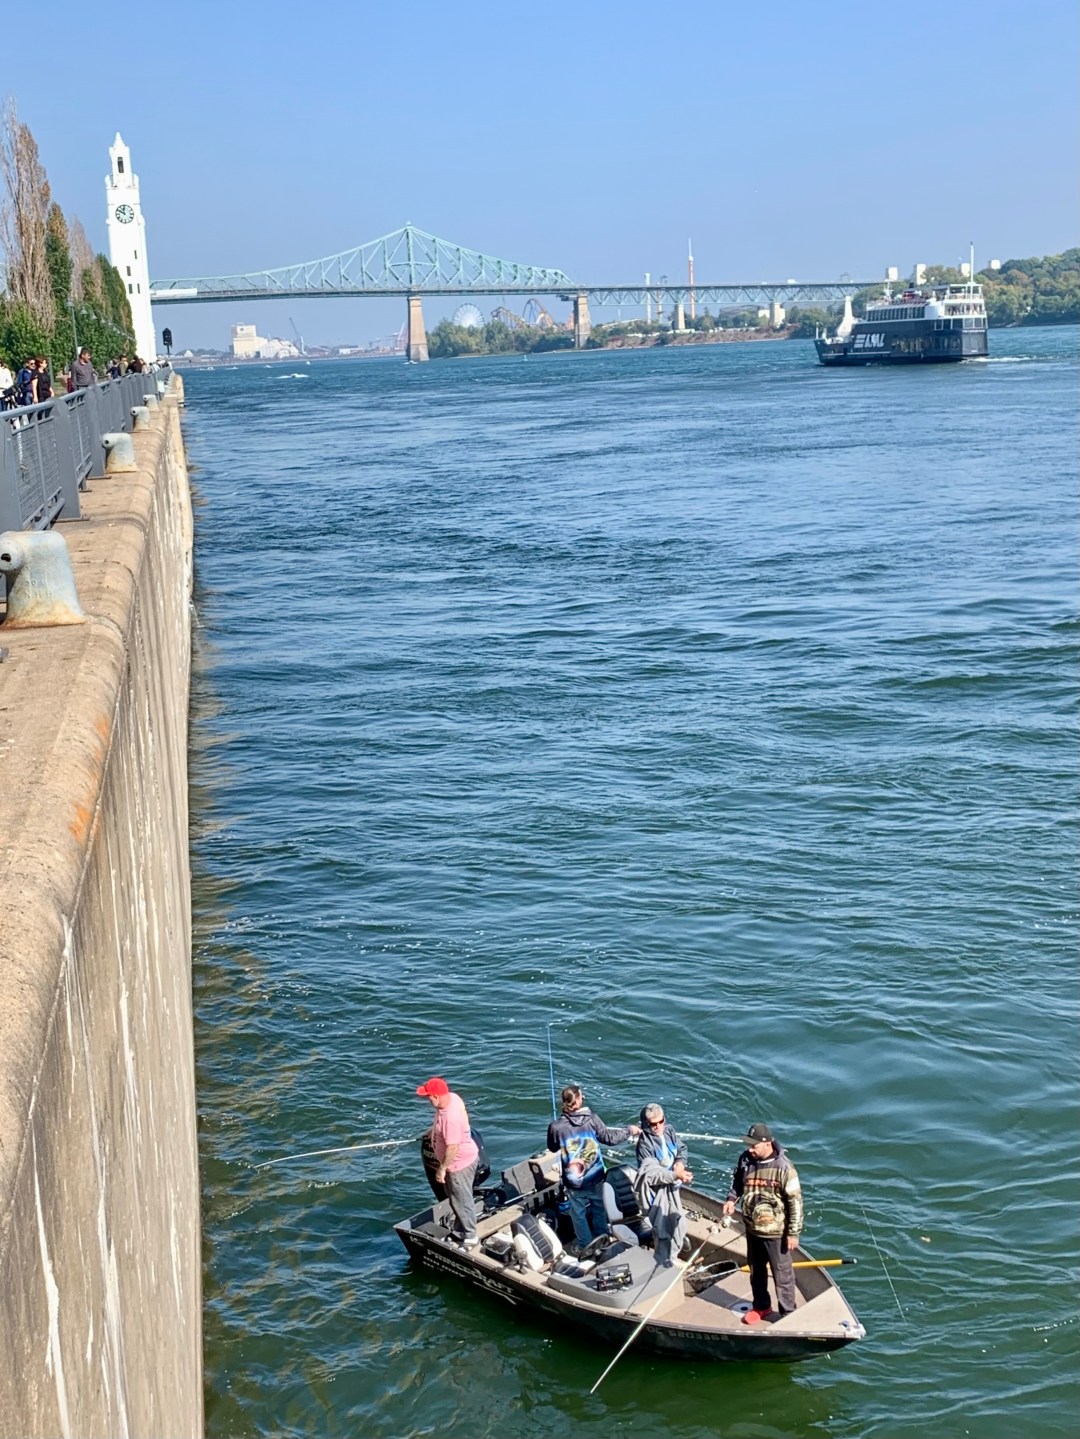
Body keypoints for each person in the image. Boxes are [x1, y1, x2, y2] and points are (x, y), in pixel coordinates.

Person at [722, 1122, 804, 1324]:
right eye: (749, 1145)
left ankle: (788, 1313)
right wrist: (731, 1199)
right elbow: (738, 1183)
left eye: (754, 1145)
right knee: (756, 1271)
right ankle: (761, 1306)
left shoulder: (784, 1168)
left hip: (776, 1233)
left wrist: (793, 1233)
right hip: (752, 1229)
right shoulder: (746, 1159)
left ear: (767, 1144)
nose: (750, 1149)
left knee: (782, 1275)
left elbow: (795, 1203)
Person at [547, 1084, 640, 1252]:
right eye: (581, 1096)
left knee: (578, 1213)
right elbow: (610, 1138)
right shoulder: (592, 1119)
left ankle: (585, 1246)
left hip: (574, 1181)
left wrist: (556, 1131)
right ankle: (602, 1240)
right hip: (596, 1175)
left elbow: (552, 1147)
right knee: (598, 1208)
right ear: (578, 1101)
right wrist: (630, 1130)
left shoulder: (556, 1127)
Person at [415, 1076, 480, 1250]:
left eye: (428, 1097)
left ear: (436, 1096)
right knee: (455, 1199)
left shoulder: (450, 1118)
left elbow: (453, 1147)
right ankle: (459, 1232)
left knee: (462, 1201)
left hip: (459, 1166)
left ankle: (471, 1237)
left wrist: (442, 1169)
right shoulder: (452, 1098)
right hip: (463, 1159)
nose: (427, 1100)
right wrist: (433, 1133)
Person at [635, 1103, 693, 1266]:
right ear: (646, 1124)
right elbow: (652, 1174)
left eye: (661, 1122)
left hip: (672, 1188)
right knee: (662, 1231)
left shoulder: (669, 1131)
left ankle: (672, 1257)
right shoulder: (644, 1145)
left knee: (678, 1225)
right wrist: (675, 1175)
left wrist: (680, 1163)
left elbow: (682, 1149)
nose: (658, 1126)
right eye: (653, 1124)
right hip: (656, 1193)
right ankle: (663, 1264)